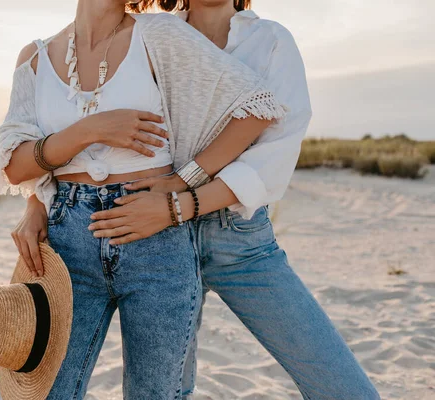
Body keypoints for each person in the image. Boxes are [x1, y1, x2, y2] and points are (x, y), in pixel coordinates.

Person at [0, 0, 285, 398]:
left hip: (156, 241)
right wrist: (89, 130)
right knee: (49, 392)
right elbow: (14, 167)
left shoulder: (159, 35)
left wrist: (183, 180)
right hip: (68, 241)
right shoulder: (35, 58)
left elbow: (257, 109)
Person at [86, 1, 380, 399]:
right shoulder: (148, 36)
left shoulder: (271, 41)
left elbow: (273, 154)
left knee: (344, 389)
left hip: (238, 240)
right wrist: (37, 201)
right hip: (156, 243)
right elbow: (79, 110)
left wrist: (181, 201)